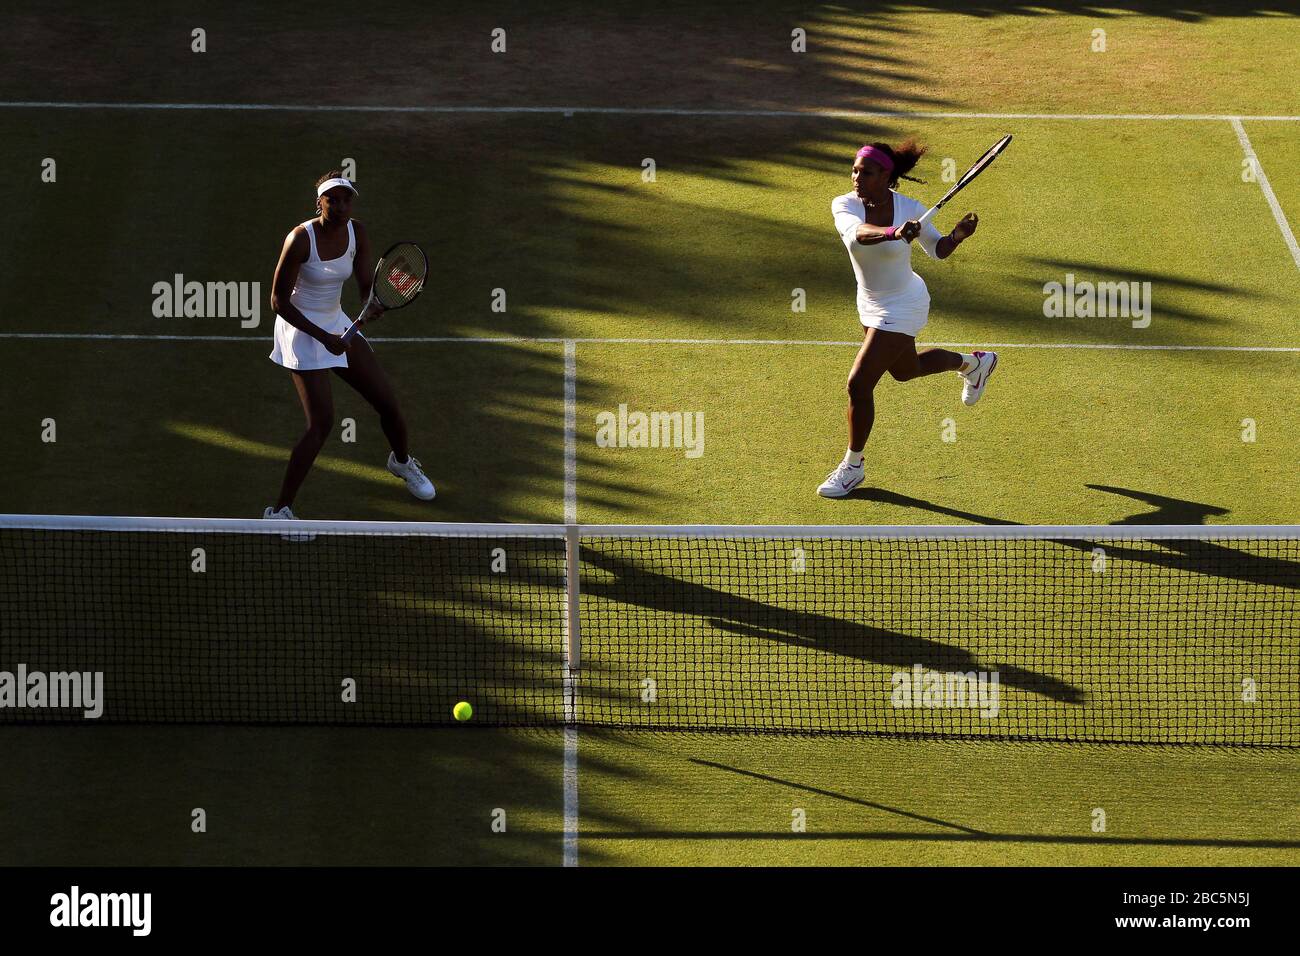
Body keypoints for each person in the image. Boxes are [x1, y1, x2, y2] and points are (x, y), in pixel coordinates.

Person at [817, 140, 997, 499]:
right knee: (906, 370)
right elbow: (858, 234)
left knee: (858, 384)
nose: (856, 177)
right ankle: (973, 364)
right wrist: (895, 233)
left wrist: (957, 236)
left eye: (865, 172)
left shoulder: (910, 208)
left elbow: (938, 250)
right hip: (869, 301)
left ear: (886, 175)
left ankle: (853, 467)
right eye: (854, 170)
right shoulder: (844, 205)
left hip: (905, 303)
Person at [263, 171, 434, 518]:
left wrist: (375, 300)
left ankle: (401, 462)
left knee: (387, 402)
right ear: (319, 203)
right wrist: (325, 339)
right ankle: (279, 511)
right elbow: (279, 302)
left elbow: (364, 280)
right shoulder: (299, 239)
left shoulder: (358, 231)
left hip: (336, 321)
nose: (340, 206)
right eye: (332, 199)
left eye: (346, 199)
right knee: (322, 424)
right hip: (301, 331)